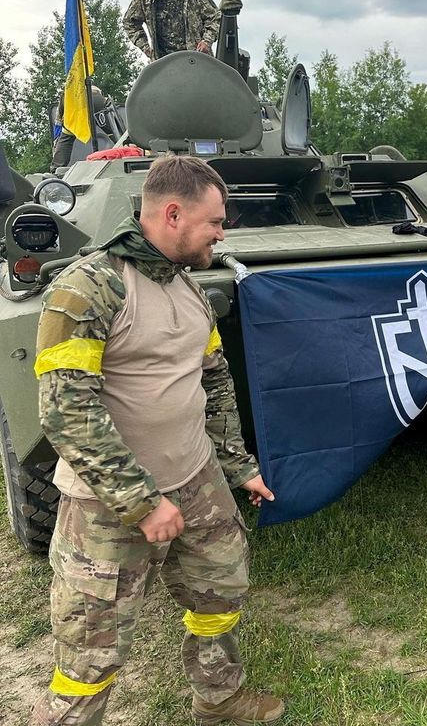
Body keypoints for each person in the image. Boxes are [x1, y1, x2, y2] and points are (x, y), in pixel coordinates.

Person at [30, 155, 284, 725]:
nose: (223, 233)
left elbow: (213, 383)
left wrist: (239, 467)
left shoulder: (188, 287)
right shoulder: (87, 289)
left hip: (197, 480)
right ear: (173, 214)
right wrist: (142, 503)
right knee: (90, 652)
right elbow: (66, 411)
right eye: (216, 222)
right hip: (108, 507)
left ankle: (219, 701)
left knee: (219, 593)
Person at [50, 85, 111, 172]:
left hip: (72, 101)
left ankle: (56, 169)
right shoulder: (97, 94)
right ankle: (128, 151)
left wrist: (57, 143)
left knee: (67, 136)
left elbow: (58, 124)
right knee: (113, 131)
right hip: (94, 97)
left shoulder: (66, 96)